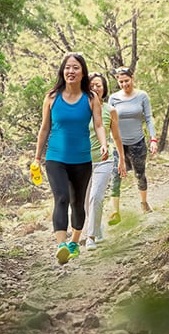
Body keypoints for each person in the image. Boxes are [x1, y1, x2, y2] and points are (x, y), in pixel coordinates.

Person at [33, 53, 108, 264]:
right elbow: (44, 128)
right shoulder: (52, 97)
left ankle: (75, 241)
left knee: (77, 203)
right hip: (56, 157)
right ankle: (61, 245)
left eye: (75, 68)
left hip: (82, 159)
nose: (71, 71)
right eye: (67, 68)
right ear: (62, 71)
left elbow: (100, 125)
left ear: (82, 71)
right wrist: (37, 157)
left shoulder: (91, 98)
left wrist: (103, 143)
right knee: (61, 198)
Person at [107, 65, 158, 225]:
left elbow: (149, 118)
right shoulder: (114, 98)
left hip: (137, 143)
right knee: (116, 176)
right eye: (121, 82)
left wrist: (153, 139)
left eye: (126, 81)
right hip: (119, 144)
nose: (124, 84)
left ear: (132, 78)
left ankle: (143, 203)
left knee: (139, 174)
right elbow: (109, 122)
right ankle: (115, 212)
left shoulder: (142, 96)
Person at [83, 72, 127, 250]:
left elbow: (116, 137)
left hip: (104, 161)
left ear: (104, 88)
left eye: (98, 85)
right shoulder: (80, 109)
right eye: (92, 85)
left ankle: (90, 237)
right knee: (85, 201)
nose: (95, 88)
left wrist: (121, 160)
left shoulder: (111, 110)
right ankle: (97, 227)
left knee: (96, 197)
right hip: (82, 162)